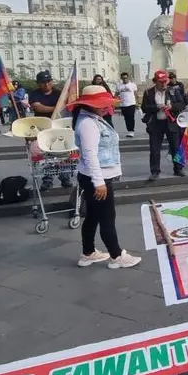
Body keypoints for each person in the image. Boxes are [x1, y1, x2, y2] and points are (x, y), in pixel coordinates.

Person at [67, 85, 141, 269]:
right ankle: (116, 256)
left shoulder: (92, 119)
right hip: (96, 177)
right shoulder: (88, 124)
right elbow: (90, 154)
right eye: (102, 103)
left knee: (93, 216)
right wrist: (99, 183)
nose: (106, 106)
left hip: (94, 175)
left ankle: (88, 252)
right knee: (107, 216)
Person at [141, 70, 187, 180]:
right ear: (155, 81)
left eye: (165, 81)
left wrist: (172, 107)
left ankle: (178, 169)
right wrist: (157, 107)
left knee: (175, 147)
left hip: (171, 122)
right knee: (154, 149)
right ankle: (155, 171)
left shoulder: (173, 91)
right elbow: (144, 108)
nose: (163, 84)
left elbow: (182, 104)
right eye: (161, 82)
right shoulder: (149, 92)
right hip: (156, 124)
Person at [117, 72, 139, 137]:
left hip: (131, 103)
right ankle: (129, 130)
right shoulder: (119, 85)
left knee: (131, 117)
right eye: (123, 78)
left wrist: (137, 103)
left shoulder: (132, 85)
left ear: (128, 78)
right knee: (126, 118)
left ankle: (131, 130)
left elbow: (136, 94)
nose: (125, 79)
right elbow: (116, 94)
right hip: (123, 104)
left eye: (126, 78)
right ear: (121, 78)